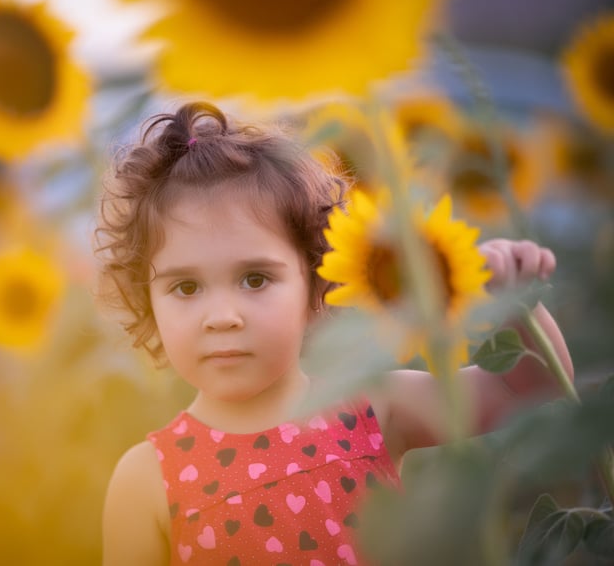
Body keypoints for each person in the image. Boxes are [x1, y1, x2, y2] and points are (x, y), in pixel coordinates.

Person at [97, 102, 574, 566]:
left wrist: (517, 303)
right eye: (185, 287)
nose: (221, 316)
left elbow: (526, 387)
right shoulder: (146, 482)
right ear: (148, 301)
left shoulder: (371, 408)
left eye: (256, 279)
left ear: (315, 283)